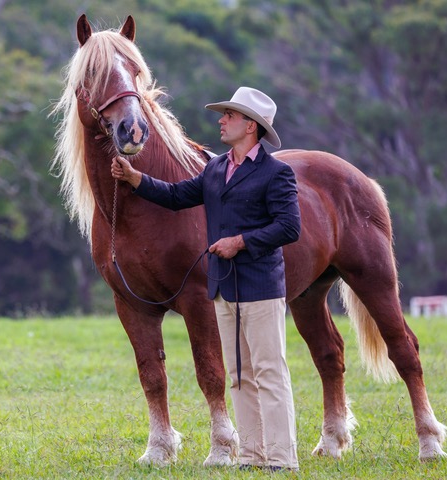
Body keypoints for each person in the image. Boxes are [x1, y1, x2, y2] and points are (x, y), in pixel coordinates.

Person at [111, 86, 301, 471]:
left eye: (230, 115)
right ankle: (251, 456)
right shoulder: (214, 169)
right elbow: (177, 196)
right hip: (224, 287)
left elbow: (289, 227)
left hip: (261, 286)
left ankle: (282, 458)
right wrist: (135, 179)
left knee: (269, 373)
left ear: (251, 126)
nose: (221, 121)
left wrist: (240, 242)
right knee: (240, 376)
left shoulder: (276, 173)